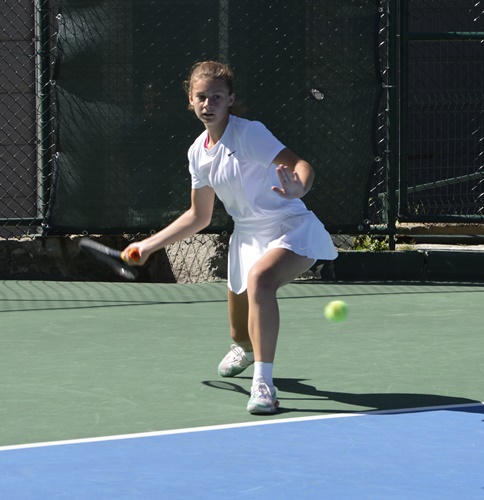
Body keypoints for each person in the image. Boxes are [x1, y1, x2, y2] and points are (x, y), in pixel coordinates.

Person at [124, 61, 338, 414]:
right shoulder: (197, 153)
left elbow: (301, 165)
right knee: (241, 334)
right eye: (201, 97)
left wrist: (299, 186)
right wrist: (149, 245)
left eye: (217, 98)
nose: (209, 104)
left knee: (261, 279)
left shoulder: (249, 134)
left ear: (230, 100)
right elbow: (199, 216)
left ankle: (263, 385)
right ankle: (247, 348)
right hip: (246, 237)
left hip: (287, 224)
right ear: (190, 101)